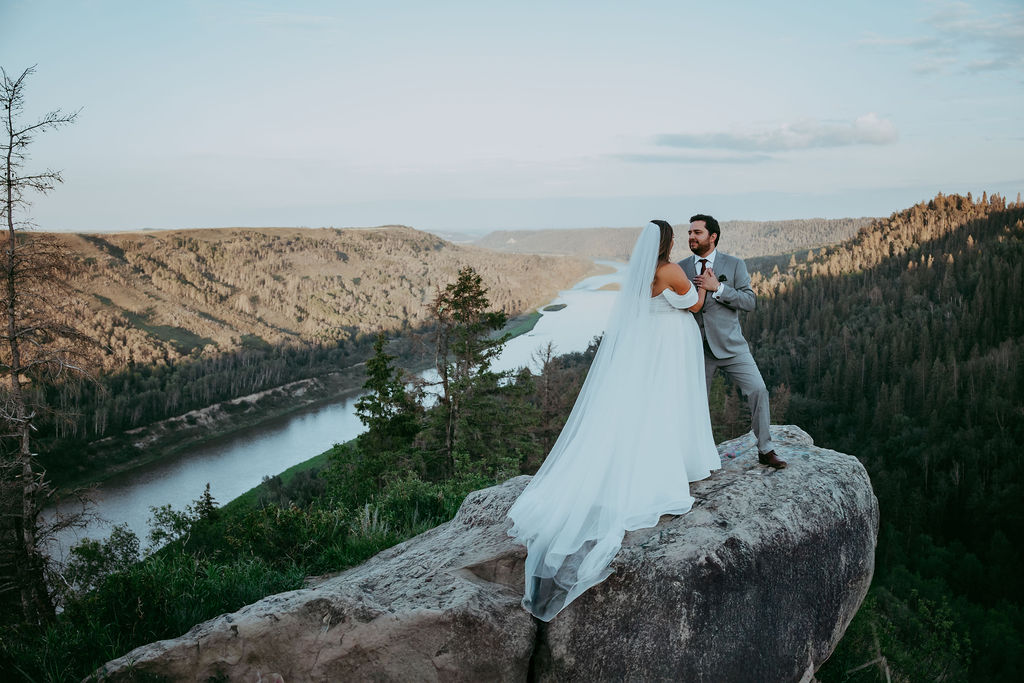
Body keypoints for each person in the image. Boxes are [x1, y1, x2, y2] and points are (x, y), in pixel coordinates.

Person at [506, 220, 721, 622]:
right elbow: (692, 305)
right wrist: (705, 285)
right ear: (667, 244)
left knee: (651, 405)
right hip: (672, 343)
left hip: (649, 343)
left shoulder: (641, 273)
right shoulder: (672, 270)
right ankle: (678, 463)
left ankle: (654, 459)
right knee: (672, 403)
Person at [680, 214, 786, 469]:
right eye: (690, 232)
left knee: (758, 390)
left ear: (712, 236)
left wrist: (719, 288)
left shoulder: (735, 264)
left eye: (697, 232)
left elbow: (750, 302)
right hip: (697, 350)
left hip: (732, 347)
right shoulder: (681, 267)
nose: (691, 237)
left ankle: (765, 449)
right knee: (695, 406)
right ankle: (696, 459)